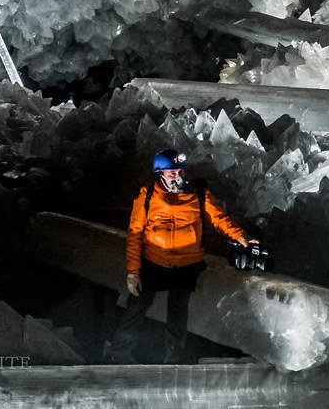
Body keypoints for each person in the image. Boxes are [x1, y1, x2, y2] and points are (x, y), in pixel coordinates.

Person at [103, 148, 254, 363]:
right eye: (172, 172)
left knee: (177, 312)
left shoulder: (199, 193)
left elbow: (219, 219)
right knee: (137, 306)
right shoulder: (147, 196)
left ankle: (173, 357)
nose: (178, 175)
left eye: (180, 170)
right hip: (154, 262)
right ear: (161, 174)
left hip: (186, 264)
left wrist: (241, 237)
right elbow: (135, 234)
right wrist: (133, 272)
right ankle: (118, 351)